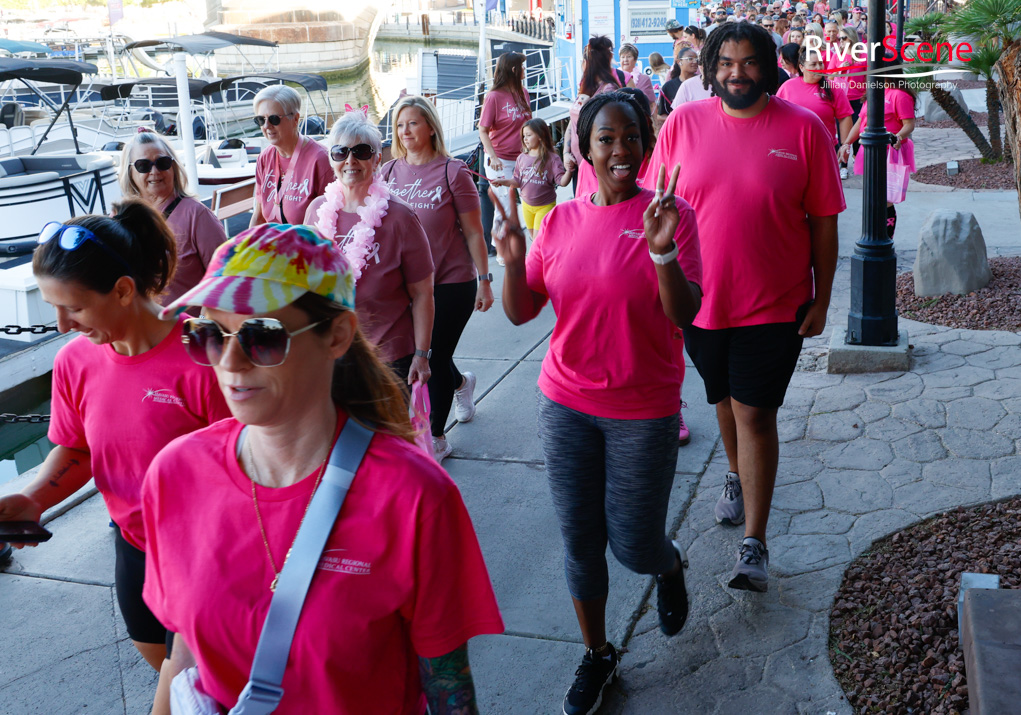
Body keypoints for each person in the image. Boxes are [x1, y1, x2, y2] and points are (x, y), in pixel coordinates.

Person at [145, 223, 504, 715]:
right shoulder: (174, 475)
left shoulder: (414, 497)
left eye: (260, 337)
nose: (228, 362)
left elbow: (448, 688)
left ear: (337, 336)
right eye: (208, 334)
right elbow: (185, 645)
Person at [500, 90, 701, 715]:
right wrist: (509, 261)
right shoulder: (558, 221)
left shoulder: (672, 214)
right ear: (584, 149)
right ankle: (597, 654)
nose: (621, 149)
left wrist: (661, 249)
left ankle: (669, 567)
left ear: (645, 144)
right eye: (606, 138)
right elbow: (521, 311)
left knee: (635, 545)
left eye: (631, 137)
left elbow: (685, 313)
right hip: (565, 402)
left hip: (643, 408)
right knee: (580, 542)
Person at [648, 22, 844, 593]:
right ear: (711, 68)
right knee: (723, 400)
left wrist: (823, 298)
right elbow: (649, 205)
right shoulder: (683, 123)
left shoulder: (804, 130)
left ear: (768, 65)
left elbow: (824, 224)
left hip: (776, 303)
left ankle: (753, 544)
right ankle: (735, 475)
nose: (737, 72)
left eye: (749, 61)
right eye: (726, 62)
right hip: (701, 303)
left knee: (755, 412)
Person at [0, 202, 231, 677]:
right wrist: (34, 496)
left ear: (124, 290)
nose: (64, 326)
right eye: (54, 309)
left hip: (209, 560)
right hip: (134, 549)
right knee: (162, 664)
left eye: (76, 307)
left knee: (192, 687)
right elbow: (81, 447)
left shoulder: (205, 359)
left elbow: (247, 475)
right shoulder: (75, 362)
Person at [381, 95, 494, 463]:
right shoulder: (387, 172)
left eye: (413, 123)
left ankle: (437, 437)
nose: (405, 131)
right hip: (407, 286)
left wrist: (485, 280)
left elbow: (475, 232)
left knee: (433, 356)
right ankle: (462, 383)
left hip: (450, 282)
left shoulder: (452, 171)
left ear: (430, 126)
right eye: (400, 125)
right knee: (426, 356)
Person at [304, 109, 435, 386]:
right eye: (341, 152)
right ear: (331, 158)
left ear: (377, 159)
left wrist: (422, 355)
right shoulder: (316, 211)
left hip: (388, 354)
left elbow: (423, 293)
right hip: (330, 352)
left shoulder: (400, 216)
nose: (350, 160)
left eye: (361, 151)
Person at [118, 131, 227, 305]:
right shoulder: (121, 219)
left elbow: (225, 280)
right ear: (129, 172)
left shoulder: (197, 216)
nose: (155, 171)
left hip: (186, 328)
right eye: (143, 165)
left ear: (173, 167)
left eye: (163, 163)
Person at [840, 79, 916, 237]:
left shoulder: (899, 95)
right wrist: (846, 143)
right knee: (874, 197)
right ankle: (876, 236)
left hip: (890, 152)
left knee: (886, 199)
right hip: (869, 151)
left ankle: (886, 240)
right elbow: (861, 120)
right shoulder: (873, 91)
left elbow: (909, 124)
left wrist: (898, 137)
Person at [250, 85, 333, 227]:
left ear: (295, 119)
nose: (267, 126)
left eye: (274, 119)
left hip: (306, 246)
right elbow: (258, 217)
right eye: (260, 120)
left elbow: (330, 222)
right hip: (271, 246)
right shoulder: (264, 158)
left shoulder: (321, 160)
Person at [565, 36, 634, 201]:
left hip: (596, 169)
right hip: (577, 165)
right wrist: (566, 153)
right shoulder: (585, 86)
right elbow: (572, 123)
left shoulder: (608, 89)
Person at [479, 51, 532, 266]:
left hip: (522, 159)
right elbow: (483, 130)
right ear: (513, 69)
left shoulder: (524, 93)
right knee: (505, 205)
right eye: (522, 66)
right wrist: (492, 156)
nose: (525, 70)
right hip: (499, 160)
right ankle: (502, 248)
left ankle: (526, 244)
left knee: (529, 202)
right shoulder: (493, 97)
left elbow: (529, 126)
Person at [490, 117, 571, 241]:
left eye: (528, 135)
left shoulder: (552, 159)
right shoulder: (522, 158)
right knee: (535, 240)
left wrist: (569, 170)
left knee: (537, 240)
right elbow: (517, 181)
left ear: (540, 135)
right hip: (526, 206)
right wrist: (502, 182)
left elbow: (562, 182)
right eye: (523, 136)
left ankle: (533, 260)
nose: (525, 139)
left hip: (545, 206)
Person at [776, 44, 854, 158]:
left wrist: (845, 145)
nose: (818, 67)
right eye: (813, 64)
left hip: (825, 149)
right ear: (802, 67)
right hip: (794, 149)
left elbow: (845, 117)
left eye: (820, 63)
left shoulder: (833, 88)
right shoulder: (787, 87)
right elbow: (777, 116)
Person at [830, 26, 864, 178]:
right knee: (842, 132)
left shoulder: (862, 55)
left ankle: (857, 159)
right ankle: (844, 165)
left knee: (856, 131)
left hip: (857, 99)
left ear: (851, 38)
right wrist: (839, 69)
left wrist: (867, 93)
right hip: (841, 100)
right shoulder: (837, 55)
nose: (841, 41)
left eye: (843, 38)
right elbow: (829, 76)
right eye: (839, 39)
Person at [659, 47, 700, 122]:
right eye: (690, 59)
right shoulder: (668, 87)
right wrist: (677, 118)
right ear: (679, 62)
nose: (695, 62)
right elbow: (661, 115)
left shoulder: (703, 83)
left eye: (696, 59)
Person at [619, 43, 656, 108]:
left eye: (629, 56)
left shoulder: (644, 79)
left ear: (635, 60)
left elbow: (651, 103)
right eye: (623, 57)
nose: (625, 60)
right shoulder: (614, 76)